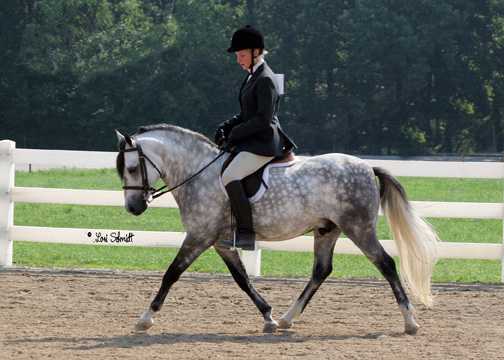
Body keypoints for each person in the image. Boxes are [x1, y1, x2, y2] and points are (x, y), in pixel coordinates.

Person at [214, 25, 297, 251]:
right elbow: (246, 114)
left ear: (256, 52)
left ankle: (245, 234)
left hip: (264, 142)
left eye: (241, 55)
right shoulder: (253, 76)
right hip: (253, 138)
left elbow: (263, 119)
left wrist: (235, 133)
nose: (238, 60)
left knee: (230, 175)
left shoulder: (265, 78)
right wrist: (227, 125)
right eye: (237, 56)